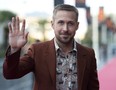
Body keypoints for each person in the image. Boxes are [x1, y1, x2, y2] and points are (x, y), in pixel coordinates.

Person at [3, 4, 99, 90]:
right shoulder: (37, 51)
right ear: (52, 24)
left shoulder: (88, 54)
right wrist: (14, 49)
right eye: (61, 22)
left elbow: (93, 87)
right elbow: (10, 74)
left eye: (70, 23)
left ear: (77, 26)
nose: (65, 29)